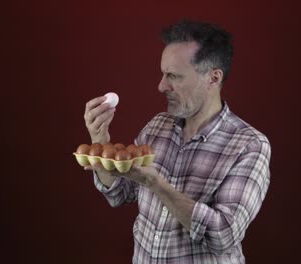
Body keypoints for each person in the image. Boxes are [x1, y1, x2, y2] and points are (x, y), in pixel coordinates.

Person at [83, 20, 271, 264]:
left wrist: (156, 183)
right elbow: (120, 193)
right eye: (163, 73)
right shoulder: (157, 126)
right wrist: (100, 142)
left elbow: (223, 235)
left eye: (173, 76)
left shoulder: (249, 145)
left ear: (213, 78)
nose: (161, 86)